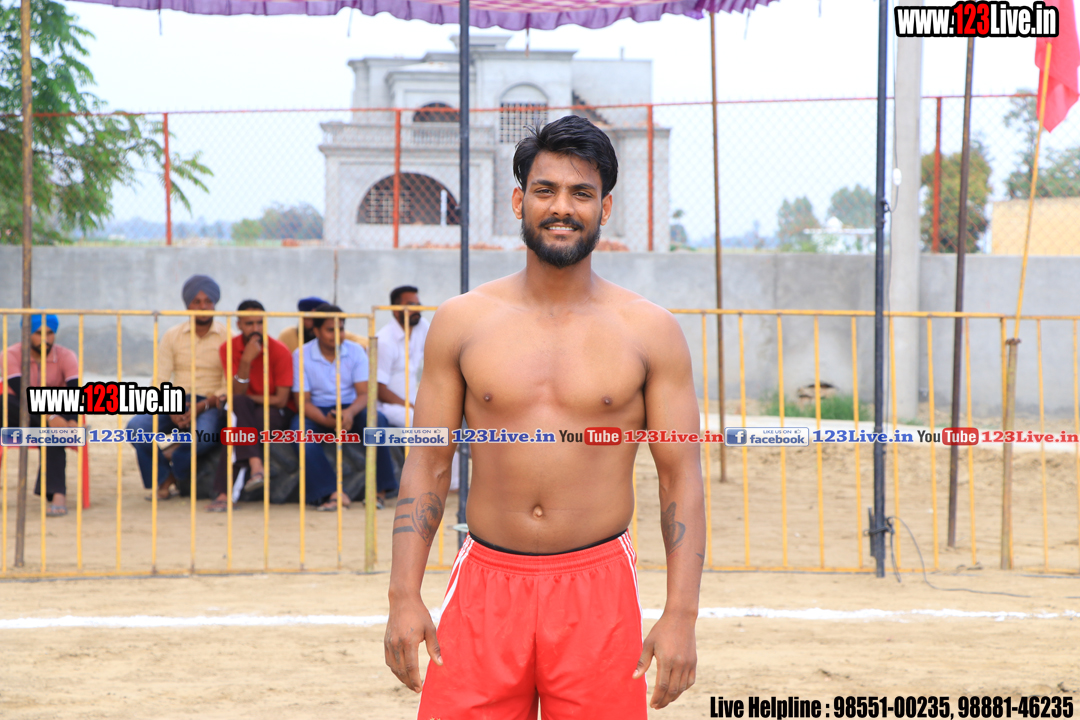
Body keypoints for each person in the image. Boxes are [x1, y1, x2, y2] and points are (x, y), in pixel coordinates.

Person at [385, 115, 705, 718]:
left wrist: (681, 614)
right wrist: (404, 594)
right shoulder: (462, 321)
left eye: (581, 192)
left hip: (598, 586)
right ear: (519, 201)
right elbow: (427, 461)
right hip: (485, 581)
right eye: (545, 190)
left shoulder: (649, 331)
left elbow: (680, 474)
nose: (562, 207)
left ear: (605, 208)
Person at [127, 275, 227, 500]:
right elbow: (160, 380)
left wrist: (201, 406)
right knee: (135, 428)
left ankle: (172, 471)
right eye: (197, 302)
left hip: (209, 404)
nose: (203, 307)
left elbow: (226, 386)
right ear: (188, 305)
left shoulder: (227, 337)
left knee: (204, 437)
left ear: (215, 304)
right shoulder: (172, 335)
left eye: (208, 301)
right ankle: (163, 478)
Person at [290, 303, 396, 510]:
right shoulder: (301, 354)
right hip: (317, 410)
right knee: (299, 433)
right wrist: (325, 420)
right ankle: (333, 493)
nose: (337, 334)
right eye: (330, 330)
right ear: (316, 331)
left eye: (340, 329)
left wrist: (349, 413)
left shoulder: (355, 351)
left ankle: (378, 492)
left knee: (378, 421)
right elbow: (303, 402)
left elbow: (365, 394)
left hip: (351, 407)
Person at [208, 299, 294, 512]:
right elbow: (237, 393)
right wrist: (246, 361)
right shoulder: (228, 348)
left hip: (274, 412)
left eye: (260, 323)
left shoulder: (280, 351)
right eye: (249, 324)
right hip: (243, 408)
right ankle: (256, 465)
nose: (256, 328)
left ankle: (224, 494)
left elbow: (281, 400)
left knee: (238, 423)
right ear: (239, 325)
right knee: (239, 411)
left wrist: (250, 399)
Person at [375, 285, 459, 491]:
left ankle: (455, 483)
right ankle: (438, 483)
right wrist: (411, 406)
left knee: (447, 423)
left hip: (413, 402)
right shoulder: (384, 340)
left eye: (418, 304)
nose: (417, 309)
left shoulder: (422, 327)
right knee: (427, 427)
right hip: (389, 407)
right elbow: (379, 389)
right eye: (410, 304)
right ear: (395, 309)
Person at [3, 314, 80, 517]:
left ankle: (57, 493)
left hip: (54, 411)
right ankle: (56, 492)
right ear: (27, 334)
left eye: (50, 333)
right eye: (38, 333)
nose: (45, 339)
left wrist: (73, 420)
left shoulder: (66, 356)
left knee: (56, 421)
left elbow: (74, 391)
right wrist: (50, 416)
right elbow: (21, 391)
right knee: (5, 401)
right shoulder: (10, 355)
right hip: (19, 414)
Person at [278, 296, 367, 353]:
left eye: (318, 319)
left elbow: (366, 343)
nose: (314, 323)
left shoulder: (336, 334)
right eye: (309, 318)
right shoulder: (288, 335)